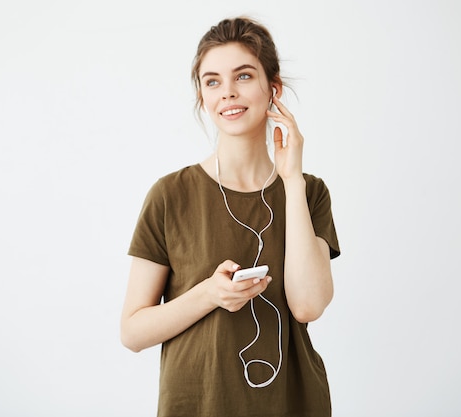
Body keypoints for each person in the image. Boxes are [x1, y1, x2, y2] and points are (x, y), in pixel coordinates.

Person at [120, 16, 340, 417]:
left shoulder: (309, 192)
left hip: (292, 404)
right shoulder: (170, 195)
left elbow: (308, 306)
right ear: (202, 95)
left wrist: (290, 179)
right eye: (212, 81)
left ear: (272, 88)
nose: (228, 93)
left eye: (243, 76)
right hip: (198, 404)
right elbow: (132, 332)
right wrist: (208, 294)